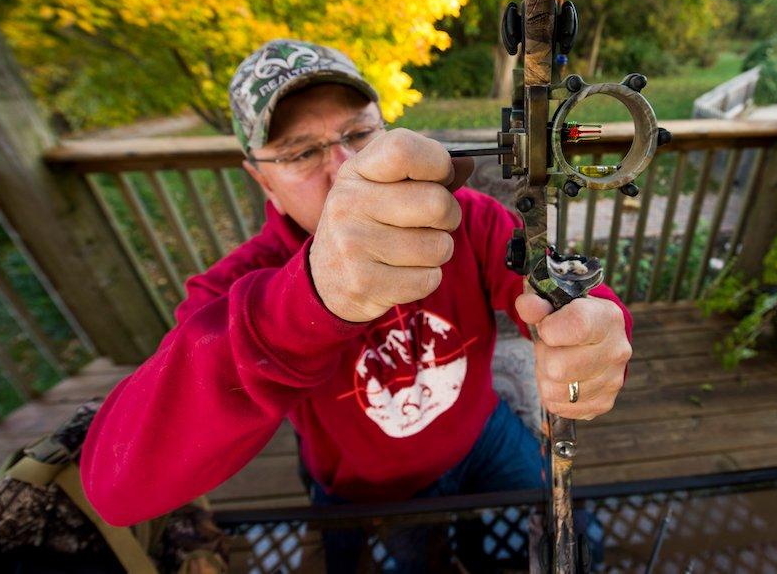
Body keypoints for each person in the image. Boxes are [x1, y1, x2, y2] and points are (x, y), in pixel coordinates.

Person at [80, 39, 633, 570]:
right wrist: (310, 301)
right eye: (300, 152)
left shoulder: (467, 218)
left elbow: (561, 284)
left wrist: (591, 332)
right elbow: (117, 486)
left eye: (359, 133)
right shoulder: (238, 288)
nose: (343, 167)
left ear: (386, 130)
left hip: (479, 432)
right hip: (368, 485)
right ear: (261, 179)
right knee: (422, 564)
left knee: (577, 540)